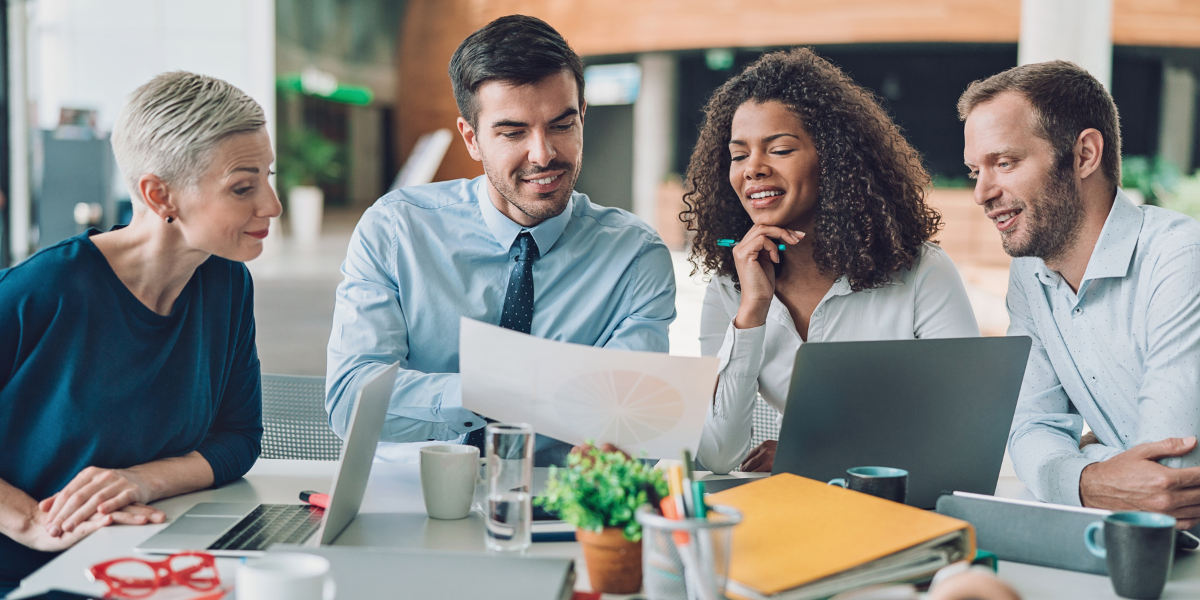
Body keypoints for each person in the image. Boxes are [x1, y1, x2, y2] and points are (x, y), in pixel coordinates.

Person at [325, 15, 676, 466]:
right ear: (472, 138)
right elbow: (352, 400)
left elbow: (630, 425)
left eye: (561, 125)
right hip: (418, 495)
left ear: (583, 118)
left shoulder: (634, 257)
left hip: (560, 506)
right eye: (513, 132)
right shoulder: (397, 231)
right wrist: (505, 391)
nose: (543, 154)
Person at [0, 72, 275, 592]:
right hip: (27, 576)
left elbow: (237, 438)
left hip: (134, 559)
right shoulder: (43, 290)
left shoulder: (227, 282)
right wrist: (30, 521)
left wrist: (140, 480)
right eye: (244, 187)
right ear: (159, 194)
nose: (271, 205)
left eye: (268, 176)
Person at [682, 48, 979, 475]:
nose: (753, 169)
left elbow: (964, 430)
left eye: (779, 149)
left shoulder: (921, 274)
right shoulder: (732, 290)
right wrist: (752, 314)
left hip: (900, 510)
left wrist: (809, 457)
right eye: (739, 155)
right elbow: (719, 454)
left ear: (835, 159)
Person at [960, 61, 1200, 526]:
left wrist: (1081, 456)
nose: (982, 193)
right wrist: (1090, 476)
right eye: (975, 171)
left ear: (1085, 155)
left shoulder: (1180, 258)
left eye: (1004, 163)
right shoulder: (1030, 276)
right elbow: (1030, 428)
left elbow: (1169, 482)